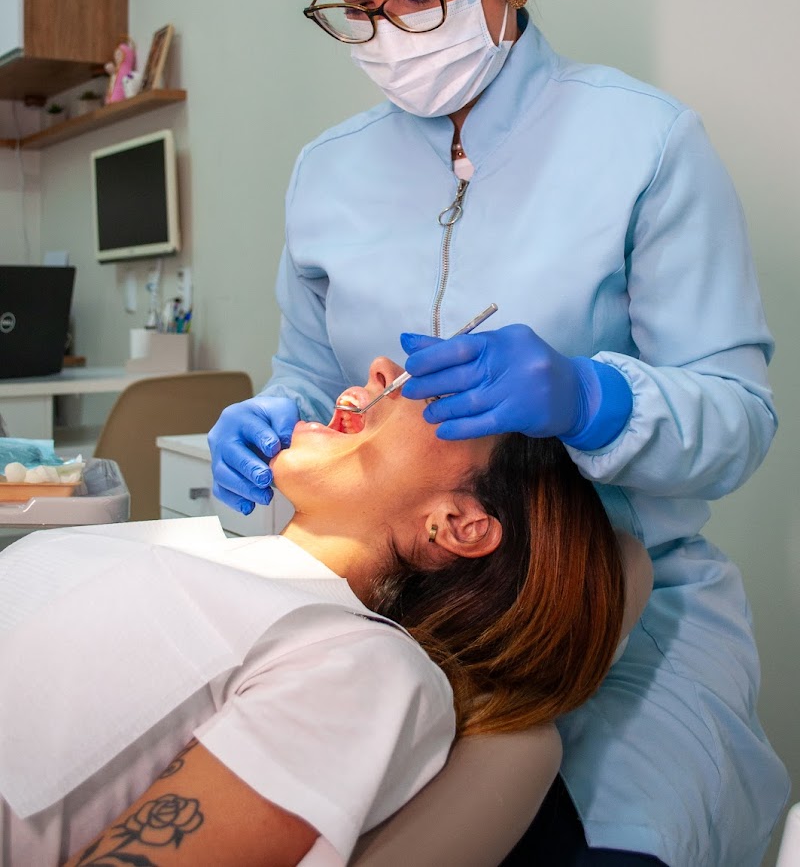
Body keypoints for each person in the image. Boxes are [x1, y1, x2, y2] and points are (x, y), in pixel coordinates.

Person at [209, 0, 790, 866]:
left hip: (620, 611)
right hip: (390, 614)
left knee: (612, 843)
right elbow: (308, 373)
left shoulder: (642, 144)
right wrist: (272, 416)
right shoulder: (326, 174)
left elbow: (738, 417)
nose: (387, 33)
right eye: (354, 8)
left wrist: (590, 398)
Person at [0, 356, 648, 867]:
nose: (378, 370)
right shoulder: (196, 554)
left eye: (447, 395)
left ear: (457, 524)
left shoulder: (359, 666)